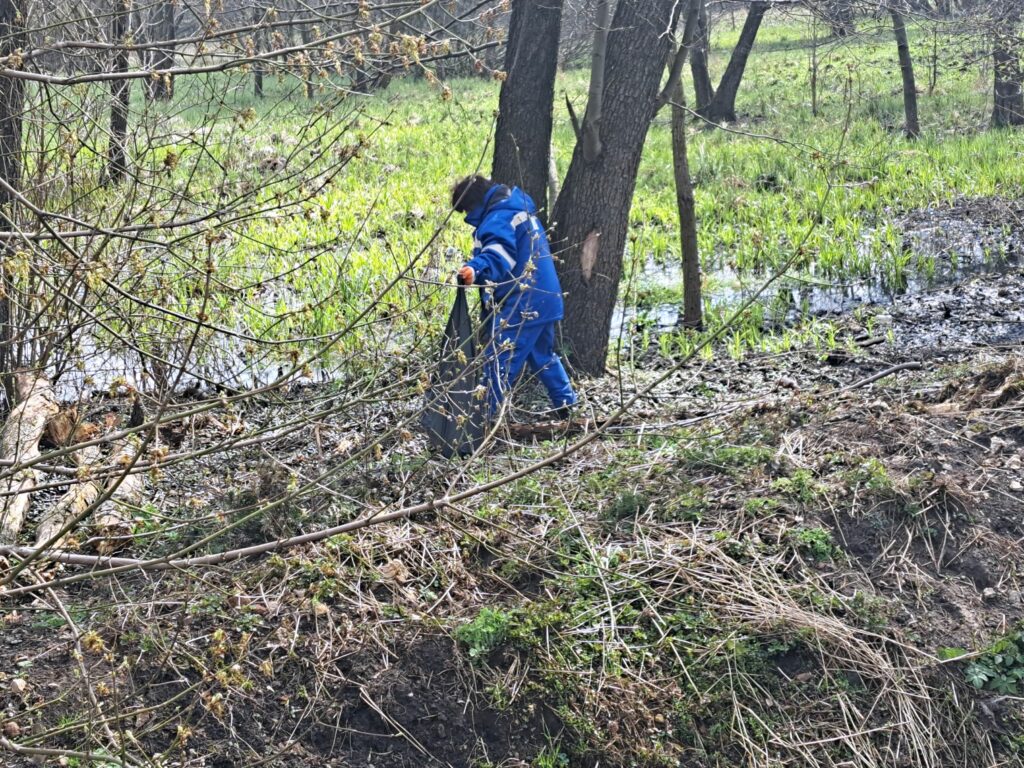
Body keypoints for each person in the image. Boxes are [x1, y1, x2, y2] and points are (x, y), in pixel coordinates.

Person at [451, 174, 577, 419]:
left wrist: (475, 269)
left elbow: (499, 255)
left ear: (474, 204)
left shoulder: (499, 217)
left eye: (466, 211)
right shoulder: (516, 209)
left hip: (523, 302)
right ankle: (568, 407)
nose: (468, 217)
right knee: (542, 356)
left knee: (499, 360)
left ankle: (484, 421)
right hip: (545, 299)